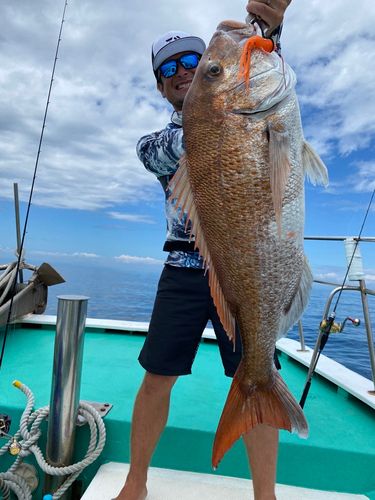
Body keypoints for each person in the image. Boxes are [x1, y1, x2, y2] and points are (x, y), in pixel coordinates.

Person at [115, 2, 292, 499]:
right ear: (160, 85)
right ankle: (135, 483)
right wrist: (218, 105)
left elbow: (263, 85)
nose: (181, 72)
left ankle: (266, 495)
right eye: (167, 68)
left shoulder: (239, 108)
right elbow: (188, 137)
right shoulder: (158, 143)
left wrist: (270, 32)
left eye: (192, 63)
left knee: (259, 371)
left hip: (248, 267)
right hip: (184, 270)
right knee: (157, 378)